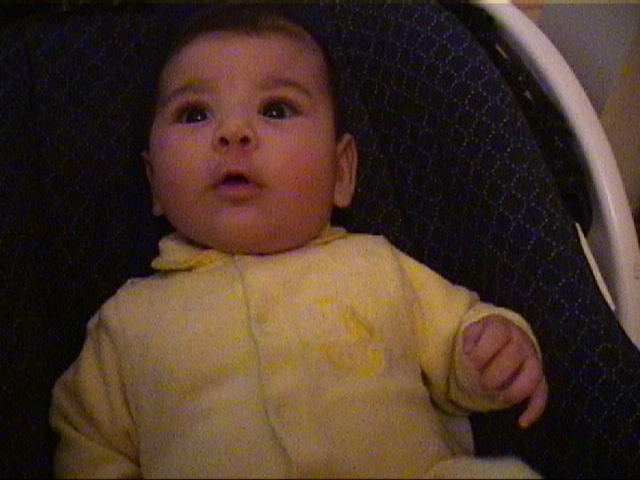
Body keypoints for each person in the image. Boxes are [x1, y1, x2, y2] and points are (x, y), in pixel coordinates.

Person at [49, 5, 548, 478]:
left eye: (276, 109)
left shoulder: (377, 266)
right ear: (155, 183)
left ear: (341, 172)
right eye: (195, 114)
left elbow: (459, 334)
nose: (233, 131)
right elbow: (90, 447)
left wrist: (492, 350)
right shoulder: (128, 323)